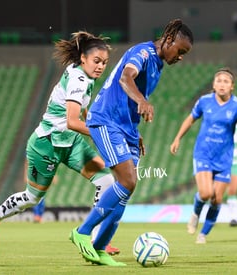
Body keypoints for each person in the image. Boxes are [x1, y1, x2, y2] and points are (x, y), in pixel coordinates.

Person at [0, 31, 120, 258]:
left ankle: (95, 239)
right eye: (97, 61)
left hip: (71, 144)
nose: (101, 66)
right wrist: (104, 133)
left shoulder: (86, 76)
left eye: (104, 62)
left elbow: (81, 113)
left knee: (106, 179)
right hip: (46, 145)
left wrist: (94, 127)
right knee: (33, 197)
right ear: (83, 58)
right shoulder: (78, 79)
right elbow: (73, 122)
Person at [69, 19, 194, 266]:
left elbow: (130, 97)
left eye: (184, 54)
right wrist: (143, 102)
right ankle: (82, 232)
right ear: (168, 40)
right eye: (180, 51)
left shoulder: (158, 65)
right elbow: (126, 79)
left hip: (126, 129)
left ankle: (99, 248)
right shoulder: (143, 52)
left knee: (126, 190)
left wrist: (134, 132)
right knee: (127, 180)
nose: (180, 57)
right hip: (105, 120)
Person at [170, 67, 237, 244]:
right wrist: (177, 138)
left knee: (217, 198)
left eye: (226, 81)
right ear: (214, 84)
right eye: (219, 81)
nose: (222, 84)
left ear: (232, 86)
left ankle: (203, 234)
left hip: (224, 158)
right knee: (206, 193)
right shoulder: (204, 101)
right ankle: (195, 213)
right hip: (203, 154)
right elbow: (191, 119)